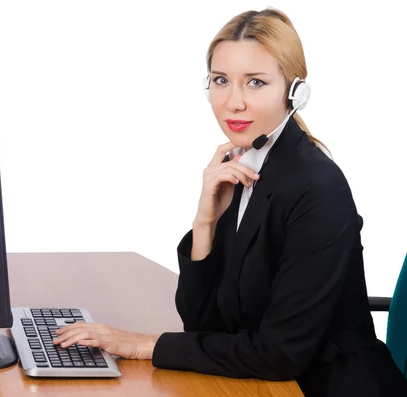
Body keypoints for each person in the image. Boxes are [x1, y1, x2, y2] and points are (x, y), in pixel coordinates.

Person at [51, 7, 407, 396]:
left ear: (295, 92)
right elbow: (203, 325)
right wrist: (205, 222)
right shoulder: (243, 163)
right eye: (221, 80)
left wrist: (143, 344)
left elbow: (279, 354)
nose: (233, 102)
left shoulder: (318, 189)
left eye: (255, 82)